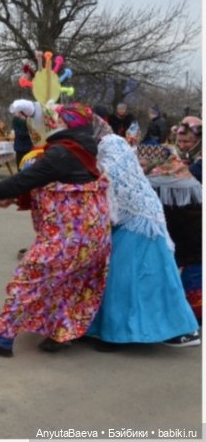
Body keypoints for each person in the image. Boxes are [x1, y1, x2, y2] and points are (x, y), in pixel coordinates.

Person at [0, 103, 111, 357]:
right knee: (68, 283)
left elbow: (26, 180)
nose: (36, 126)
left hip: (68, 237)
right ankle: (59, 334)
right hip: (93, 237)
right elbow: (42, 185)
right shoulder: (83, 150)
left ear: (58, 124)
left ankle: (2, 339)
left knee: (27, 279)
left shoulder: (63, 152)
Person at [85, 115, 199, 349]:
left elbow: (113, 186)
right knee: (136, 278)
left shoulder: (111, 145)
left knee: (124, 278)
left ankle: (121, 334)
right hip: (138, 220)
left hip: (140, 221)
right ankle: (127, 330)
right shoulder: (105, 146)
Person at [141, 117, 203, 337]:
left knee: (194, 273)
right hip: (182, 225)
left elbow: (189, 179)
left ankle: (193, 319)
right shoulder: (174, 156)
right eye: (181, 139)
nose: (183, 144)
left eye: (188, 140)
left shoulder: (199, 163)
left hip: (195, 226)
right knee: (187, 269)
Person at [9, 99, 35, 167]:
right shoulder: (16, 120)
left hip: (29, 146)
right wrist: (30, 134)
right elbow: (19, 133)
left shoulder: (29, 118)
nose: (15, 113)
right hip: (20, 146)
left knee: (28, 164)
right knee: (20, 164)